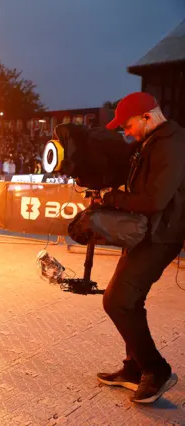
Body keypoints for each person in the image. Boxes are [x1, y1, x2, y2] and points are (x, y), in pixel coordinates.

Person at [97, 92, 184, 403]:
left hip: (161, 237)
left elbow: (155, 200)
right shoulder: (153, 141)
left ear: (148, 117)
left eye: (129, 125)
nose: (127, 132)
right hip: (146, 234)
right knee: (130, 301)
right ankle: (133, 369)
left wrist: (112, 198)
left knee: (117, 301)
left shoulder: (172, 143)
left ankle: (155, 369)